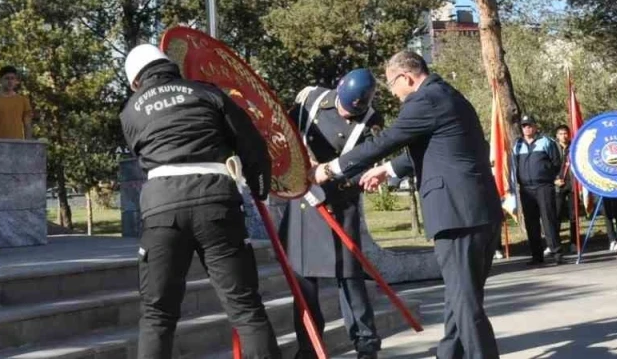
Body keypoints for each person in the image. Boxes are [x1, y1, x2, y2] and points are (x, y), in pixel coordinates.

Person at [313, 51, 502, 359]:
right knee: (460, 298)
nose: (394, 93)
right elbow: (433, 147)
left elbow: (386, 140)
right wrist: (387, 170)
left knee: (465, 304)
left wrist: (331, 168)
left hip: (456, 215)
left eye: (391, 85)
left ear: (405, 77)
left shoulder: (424, 100)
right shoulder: (447, 95)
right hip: (477, 210)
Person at [119, 44, 280, 359]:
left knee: (157, 316)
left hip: (161, 209)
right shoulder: (208, 93)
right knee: (246, 309)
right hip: (216, 202)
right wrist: (259, 187)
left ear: (135, 81)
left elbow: (143, 150)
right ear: (170, 66)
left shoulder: (130, 110)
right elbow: (251, 144)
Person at [281, 69, 384, 359]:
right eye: (343, 106)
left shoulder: (371, 122)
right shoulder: (311, 98)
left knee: (350, 278)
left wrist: (328, 177)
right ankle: (309, 348)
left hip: (339, 206)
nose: (346, 114)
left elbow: (365, 164)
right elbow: (284, 130)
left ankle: (366, 345)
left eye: (353, 111)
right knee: (303, 283)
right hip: (303, 205)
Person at [513, 115, 563, 266]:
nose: (527, 128)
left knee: (549, 220)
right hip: (526, 189)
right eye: (524, 126)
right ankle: (537, 255)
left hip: (544, 187)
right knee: (531, 223)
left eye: (529, 125)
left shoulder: (546, 141)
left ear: (535, 126)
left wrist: (548, 176)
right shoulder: (518, 145)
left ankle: (557, 254)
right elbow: (515, 165)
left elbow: (556, 162)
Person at [0, 65, 33, 139]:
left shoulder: (23, 101)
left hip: (17, 145)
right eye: (7, 78)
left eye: (12, 78)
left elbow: (27, 126)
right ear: (0, 80)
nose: (10, 81)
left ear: (16, 81)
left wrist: (28, 146)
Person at [552, 124, 574, 250]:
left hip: (572, 184)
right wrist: (554, 180)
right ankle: (556, 243)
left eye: (565, 133)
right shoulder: (553, 148)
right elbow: (548, 165)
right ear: (557, 135)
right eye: (560, 133)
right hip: (558, 184)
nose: (563, 136)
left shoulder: (574, 147)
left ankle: (574, 242)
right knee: (557, 214)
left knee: (573, 214)